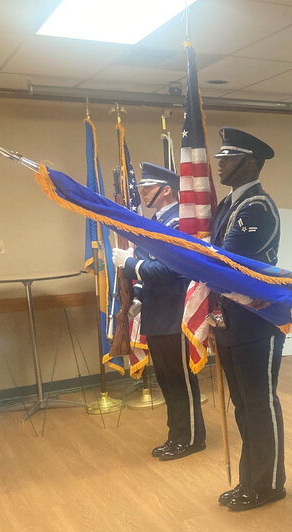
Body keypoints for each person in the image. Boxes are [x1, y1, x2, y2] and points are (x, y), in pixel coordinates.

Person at [210, 127, 286, 512]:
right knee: (242, 404)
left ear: (251, 163)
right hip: (229, 320)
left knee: (259, 403)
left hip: (257, 322)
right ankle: (249, 478)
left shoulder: (257, 207)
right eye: (221, 156)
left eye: (229, 156)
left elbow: (225, 260)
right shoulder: (228, 204)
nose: (219, 162)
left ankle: (269, 483)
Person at [112, 163, 206, 460]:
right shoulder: (158, 223)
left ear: (166, 191)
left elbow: (171, 271)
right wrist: (136, 294)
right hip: (157, 312)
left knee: (179, 379)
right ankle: (176, 434)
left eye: (148, 188)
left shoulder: (176, 223)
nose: (142, 192)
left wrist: (129, 263)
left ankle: (191, 437)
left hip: (175, 313)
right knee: (167, 379)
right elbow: (150, 267)